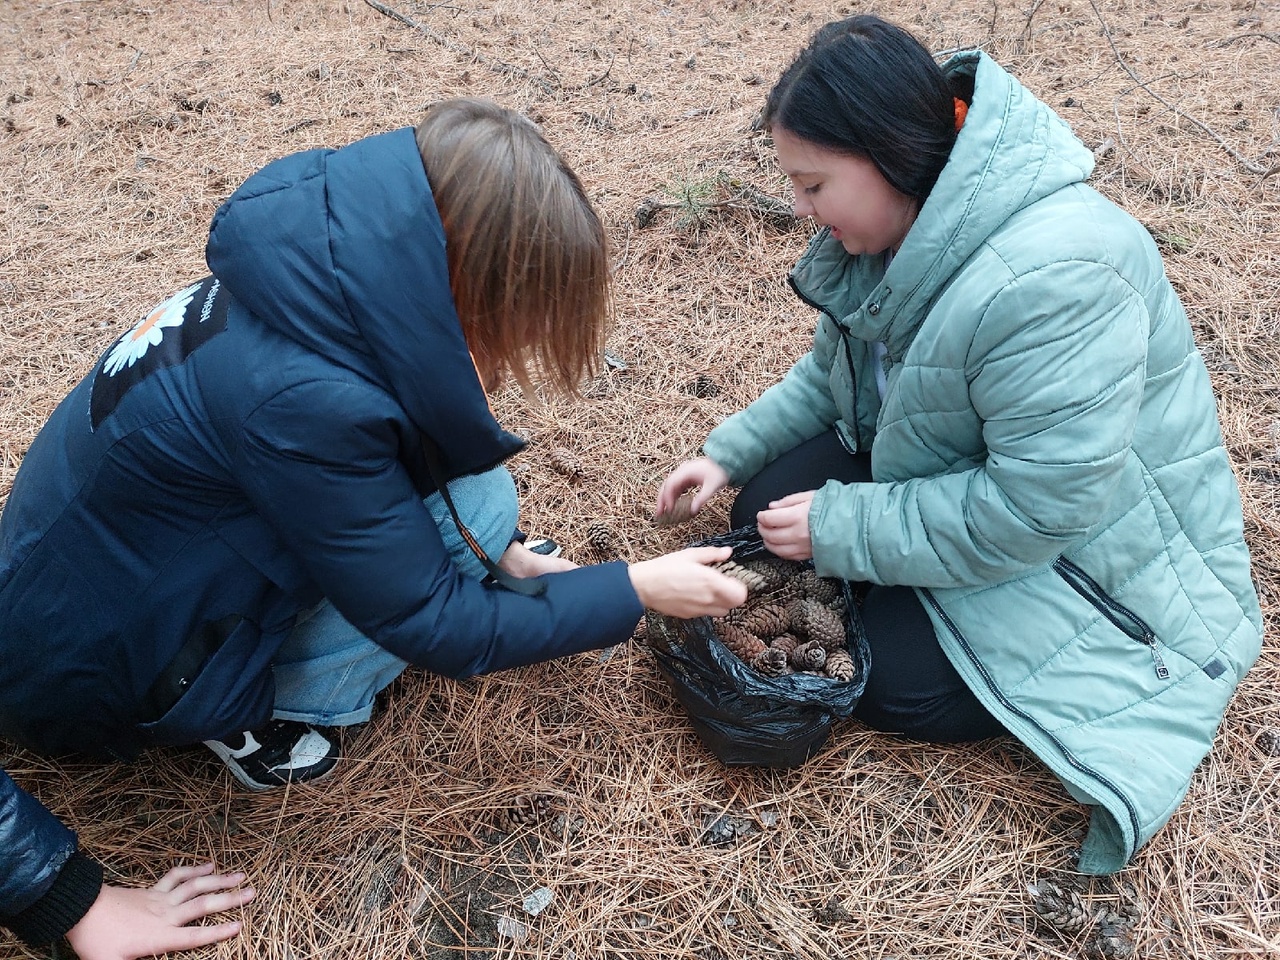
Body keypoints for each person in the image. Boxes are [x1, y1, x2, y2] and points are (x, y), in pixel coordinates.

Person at [0, 97, 746, 956]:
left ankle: (321, 635)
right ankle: (255, 720)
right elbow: (438, 628)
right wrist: (635, 587)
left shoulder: (315, 268)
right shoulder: (306, 400)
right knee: (453, 548)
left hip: (103, 577)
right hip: (94, 673)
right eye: (514, 322)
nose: (511, 353)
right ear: (466, 282)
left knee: (483, 510)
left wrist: (504, 560)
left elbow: (384, 456)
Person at [657, 15, 1262, 875]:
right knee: (758, 504)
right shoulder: (896, 229)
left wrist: (844, 527)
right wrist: (728, 451)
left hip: (1095, 549)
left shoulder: (1056, 279)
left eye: (812, 183)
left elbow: (1038, 507)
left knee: (897, 680)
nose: (798, 208)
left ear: (885, 155)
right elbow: (835, 372)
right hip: (960, 472)